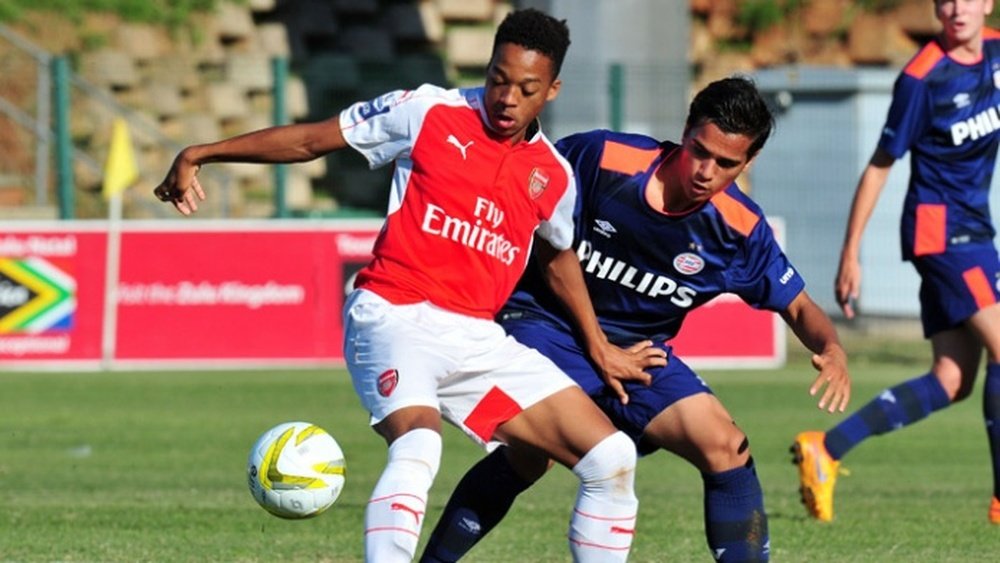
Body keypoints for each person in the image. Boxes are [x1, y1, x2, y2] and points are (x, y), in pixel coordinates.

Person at [154, 9, 664, 562]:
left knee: (610, 457)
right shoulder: (427, 110)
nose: (507, 98)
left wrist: (599, 347)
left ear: (552, 90)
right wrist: (201, 153)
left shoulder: (554, 175)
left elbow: (558, 258)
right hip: (394, 312)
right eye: (498, 79)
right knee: (419, 443)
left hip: (476, 339)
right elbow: (309, 142)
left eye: (526, 88)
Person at [419, 76, 852, 563]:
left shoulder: (739, 230)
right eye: (699, 151)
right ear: (685, 131)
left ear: (748, 162)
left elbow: (799, 306)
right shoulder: (602, 160)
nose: (706, 171)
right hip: (540, 322)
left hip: (636, 352)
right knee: (533, 455)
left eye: (727, 163)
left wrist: (831, 348)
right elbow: (538, 232)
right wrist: (598, 347)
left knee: (725, 446)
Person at [792, 0, 1000, 525]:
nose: (956, 8)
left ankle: (827, 449)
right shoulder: (921, 79)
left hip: (975, 231)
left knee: (951, 380)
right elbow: (880, 167)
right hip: (942, 234)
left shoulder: (997, 53)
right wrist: (850, 252)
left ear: (988, 4)